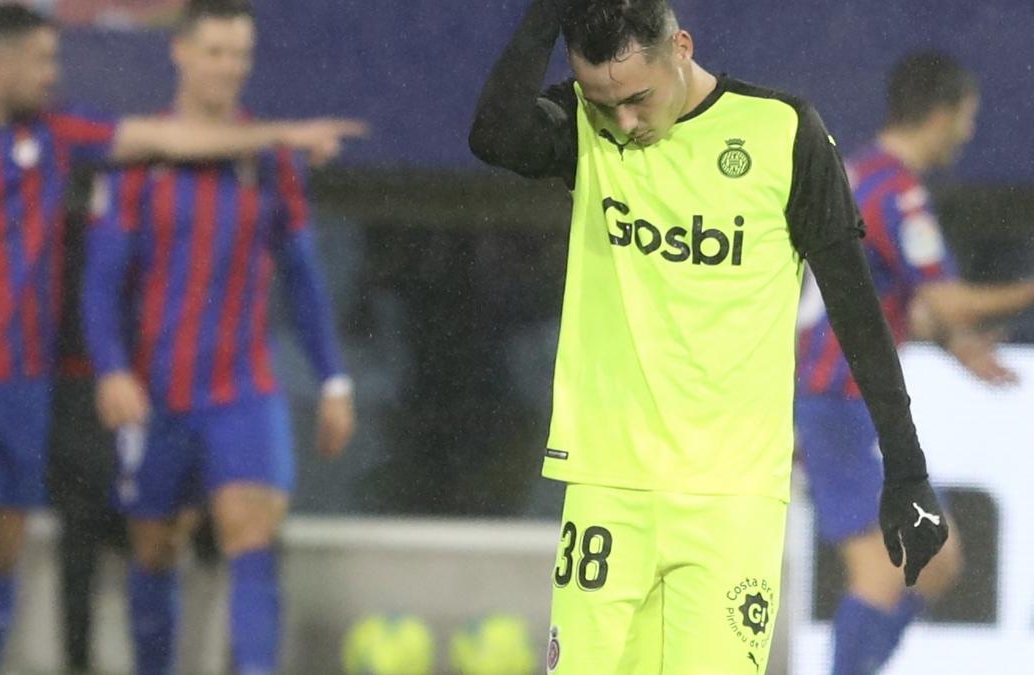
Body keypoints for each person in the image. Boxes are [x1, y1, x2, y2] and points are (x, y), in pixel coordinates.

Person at [0, 4, 363, 674]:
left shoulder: (60, 135)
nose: (54, 74)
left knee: (8, 543)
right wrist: (114, 366)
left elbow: (178, 148)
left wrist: (280, 136)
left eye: (241, 54)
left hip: (41, 382)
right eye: (44, 60)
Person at [470, 0, 949, 671]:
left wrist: (907, 469)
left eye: (638, 97)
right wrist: (546, 15)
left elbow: (855, 308)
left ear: (681, 47)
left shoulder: (783, 132)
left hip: (734, 493)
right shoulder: (587, 129)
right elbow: (493, 136)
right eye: (603, 104)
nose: (625, 122)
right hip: (608, 483)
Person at [81, 1, 355, 673]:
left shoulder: (271, 160)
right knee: (153, 546)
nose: (229, 67)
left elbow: (303, 276)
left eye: (239, 54)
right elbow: (100, 283)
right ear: (180, 52)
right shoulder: (138, 156)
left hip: (243, 388)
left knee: (251, 531)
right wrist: (112, 367)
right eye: (215, 52)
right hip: (156, 391)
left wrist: (334, 379)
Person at [795, 51, 1034, 675]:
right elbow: (946, 299)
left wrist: (956, 347)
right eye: (968, 116)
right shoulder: (896, 194)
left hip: (839, 400)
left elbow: (896, 301)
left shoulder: (862, 174)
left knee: (937, 558)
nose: (970, 131)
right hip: (836, 401)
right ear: (940, 113)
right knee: (886, 573)